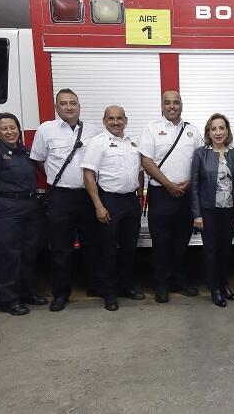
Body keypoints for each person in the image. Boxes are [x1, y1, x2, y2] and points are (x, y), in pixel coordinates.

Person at [30, 88, 103, 312]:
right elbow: (38, 160)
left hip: (88, 196)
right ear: (56, 107)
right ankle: (61, 293)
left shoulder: (92, 130)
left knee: (92, 245)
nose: (69, 107)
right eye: (64, 103)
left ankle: (94, 286)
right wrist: (56, 178)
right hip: (61, 196)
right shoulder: (46, 130)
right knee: (61, 248)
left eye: (73, 103)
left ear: (79, 106)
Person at [0, 113, 47, 316]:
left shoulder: (23, 152)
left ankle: (28, 292)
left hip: (29, 206)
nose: (10, 132)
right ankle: (9, 299)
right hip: (5, 208)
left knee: (28, 252)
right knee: (9, 254)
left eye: (13, 127)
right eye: (4, 128)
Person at [140, 90, 203, 303]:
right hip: (161, 194)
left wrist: (190, 183)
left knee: (181, 242)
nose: (172, 106)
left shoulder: (192, 131)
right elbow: (146, 161)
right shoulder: (151, 130)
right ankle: (161, 285)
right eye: (167, 103)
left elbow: (201, 162)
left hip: (186, 195)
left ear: (181, 105)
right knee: (161, 242)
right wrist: (168, 184)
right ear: (162, 106)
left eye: (176, 102)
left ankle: (180, 281)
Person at [81, 105, 146, 312]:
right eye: (111, 118)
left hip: (131, 202)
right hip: (109, 201)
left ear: (126, 120)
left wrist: (140, 196)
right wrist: (98, 205)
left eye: (119, 118)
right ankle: (109, 293)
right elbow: (88, 175)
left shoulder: (133, 142)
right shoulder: (97, 143)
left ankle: (126, 286)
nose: (116, 122)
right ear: (104, 121)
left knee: (129, 248)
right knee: (108, 251)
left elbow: (140, 171)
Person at [190, 113, 234, 307]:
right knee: (211, 251)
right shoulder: (200, 154)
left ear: (227, 131)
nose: (218, 132)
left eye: (222, 128)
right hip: (208, 211)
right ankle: (214, 289)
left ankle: (224, 285)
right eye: (214, 129)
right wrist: (196, 214)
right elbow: (194, 185)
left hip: (228, 211)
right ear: (208, 132)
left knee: (225, 250)